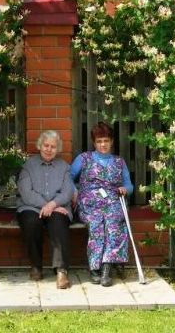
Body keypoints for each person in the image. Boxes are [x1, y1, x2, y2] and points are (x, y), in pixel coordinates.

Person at [71, 122, 134, 287]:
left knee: (114, 223)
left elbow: (129, 185)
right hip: (89, 203)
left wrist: (124, 189)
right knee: (96, 224)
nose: (103, 144)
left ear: (111, 141)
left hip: (113, 201)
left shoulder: (119, 162)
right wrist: (74, 191)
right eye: (99, 141)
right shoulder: (83, 159)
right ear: (94, 143)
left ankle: (107, 268)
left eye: (106, 140)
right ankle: (95, 269)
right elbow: (68, 177)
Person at [16, 130, 74, 289]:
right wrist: (45, 205)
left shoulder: (64, 167)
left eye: (53, 147)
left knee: (58, 222)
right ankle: (36, 266)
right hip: (32, 207)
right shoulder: (28, 165)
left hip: (58, 208)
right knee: (30, 221)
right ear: (40, 146)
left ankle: (61, 271)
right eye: (46, 145)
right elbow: (26, 192)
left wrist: (53, 205)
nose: (49, 149)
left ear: (58, 148)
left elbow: (68, 191)